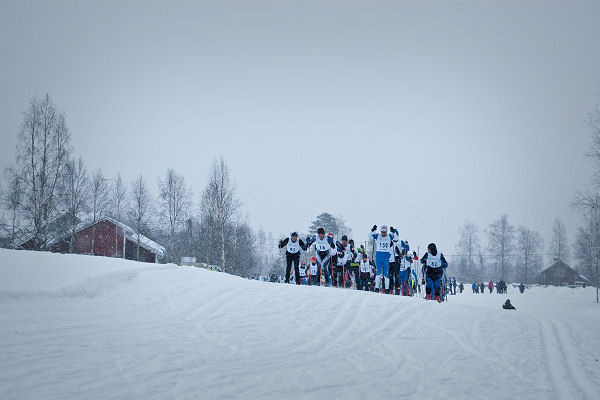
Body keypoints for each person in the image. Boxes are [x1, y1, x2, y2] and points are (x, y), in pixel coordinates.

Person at [370, 225, 399, 293]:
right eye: (382, 232)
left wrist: (393, 231)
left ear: (386, 231)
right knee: (378, 273)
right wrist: (372, 230)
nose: (383, 234)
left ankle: (387, 289)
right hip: (379, 256)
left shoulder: (389, 236)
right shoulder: (378, 235)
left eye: (385, 232)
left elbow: (396, 239)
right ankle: (376, 288)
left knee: (386, 273)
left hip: (386, 256)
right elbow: (369, 236)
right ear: (380, 231)